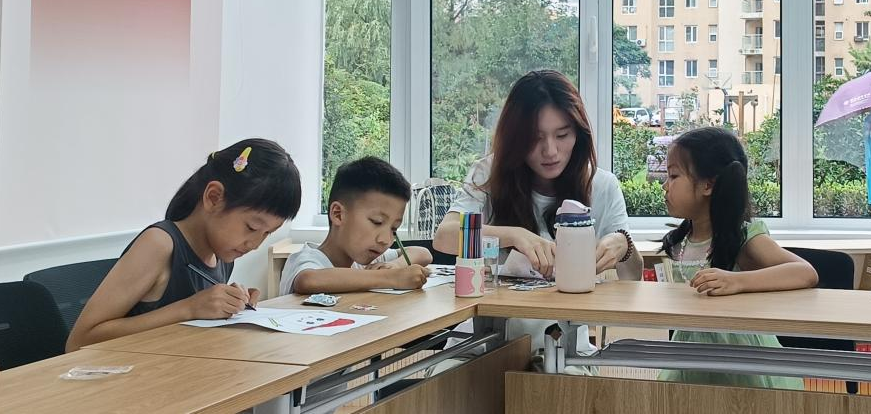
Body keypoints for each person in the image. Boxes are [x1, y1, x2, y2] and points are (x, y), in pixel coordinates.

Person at [433, 70, 643, 357]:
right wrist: (514, 236)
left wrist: (624, 246)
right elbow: (444, 236)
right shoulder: (489, 174)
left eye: (562, 135)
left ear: (578, 133)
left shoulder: (602, 185)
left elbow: (632, 279)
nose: (550, 151)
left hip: (566, 348)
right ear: (515, 139)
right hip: (483, 344)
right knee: (448, 380)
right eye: (535, 138)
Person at [66, 138, 302, 351]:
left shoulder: (221, 256)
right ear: (213, 198)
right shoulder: (159, 244)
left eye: (267, 233)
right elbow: (79, 342)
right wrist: (189, 309)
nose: (255, 244)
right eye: (251, 227)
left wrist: (229, 304)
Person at [658, 126, 818, 390]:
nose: (665, 186)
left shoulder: (743, 237)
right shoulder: (681, 240)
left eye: (674, 176)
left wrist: (737, 281)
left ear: (708, 185)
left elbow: (805, 272)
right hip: (691, 358)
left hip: (741, 363)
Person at [279, 156, 432, 295]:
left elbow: (423, 253)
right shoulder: (307, 260)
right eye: (376, 222)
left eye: (394, 229)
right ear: (338, 214)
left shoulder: (366, 260)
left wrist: (396, 265)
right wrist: (392, 277)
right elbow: (308, 280)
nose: (386, 240)